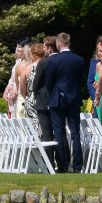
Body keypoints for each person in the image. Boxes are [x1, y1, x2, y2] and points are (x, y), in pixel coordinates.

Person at [44, 32, 84, 173]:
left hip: (57, 99)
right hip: (74, 98)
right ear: (69, 43)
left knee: (59, 132)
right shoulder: (79, 60)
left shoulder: (53, 61)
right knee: (75, 133)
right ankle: (78, 165)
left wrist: (54, 93)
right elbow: (80, 81)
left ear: (58, 44)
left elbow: (48, 83)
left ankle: (62, 164)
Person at [31, 35, 59, 168]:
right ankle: (62, 162)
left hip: (44, 100)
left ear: (49, 47)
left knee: (47, 133)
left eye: (44, 46)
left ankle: (49, 163)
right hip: (60, 100)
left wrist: (36, 94)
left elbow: (36, 83)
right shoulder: (62, 60)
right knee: (60, 133)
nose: (43, 48)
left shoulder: (43, 62)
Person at [24, 43, 45, 120]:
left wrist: (26, 96)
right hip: (45, 101)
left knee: (31, 127)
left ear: (32, 54)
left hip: (31, 100)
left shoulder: (27, 69)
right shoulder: (49, 66)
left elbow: (22, 88)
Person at [14, 41, 34, 118]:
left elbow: (17, 85)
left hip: (21, 99)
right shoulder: (36, 65)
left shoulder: (19, 66)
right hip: (31, 100)